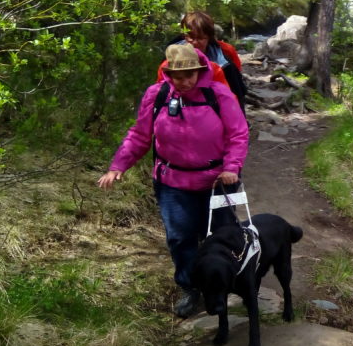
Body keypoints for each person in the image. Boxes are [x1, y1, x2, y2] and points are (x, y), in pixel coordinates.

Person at [99, 43, 249, 318]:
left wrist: (232, 167)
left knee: (225, 236)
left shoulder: (219, 94)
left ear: (200, 71)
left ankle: (228, 283)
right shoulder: (157, 95)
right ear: (168, 73)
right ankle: (190, 288)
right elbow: (140, 134)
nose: (183, 81)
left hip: (217, 181)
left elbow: (238, 134)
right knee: (181, 239)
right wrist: (118, 165)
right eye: (177, 76)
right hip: (172, 181)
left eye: (189, 75)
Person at [157, 11, 247, 106]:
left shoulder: (225, 55)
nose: (195, 42)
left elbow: (235, 89)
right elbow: (160, 90)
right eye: (190, 37)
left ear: (209, 37)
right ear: (184, 35)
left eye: (200, 38)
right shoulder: (170, 58)